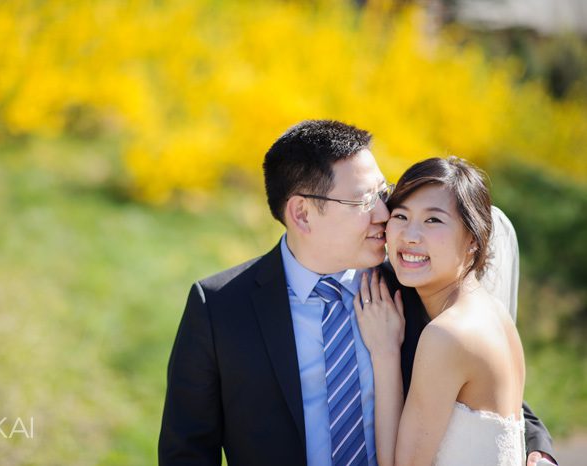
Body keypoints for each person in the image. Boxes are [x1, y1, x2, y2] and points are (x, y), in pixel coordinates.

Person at [158, 120, 555, 465]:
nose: (385, 214)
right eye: (365, 201)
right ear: (302, 214)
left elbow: (482, 388)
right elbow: (187, 452)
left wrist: (539, 452)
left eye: (383, 194)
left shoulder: (413, 282)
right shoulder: (221, 308)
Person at [356, 156, 555, 465]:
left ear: (473, 240)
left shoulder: (448, 334)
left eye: (433, 220)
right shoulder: (493, 312)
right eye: (401, 216)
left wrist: (385, 353)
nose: (410, 235)